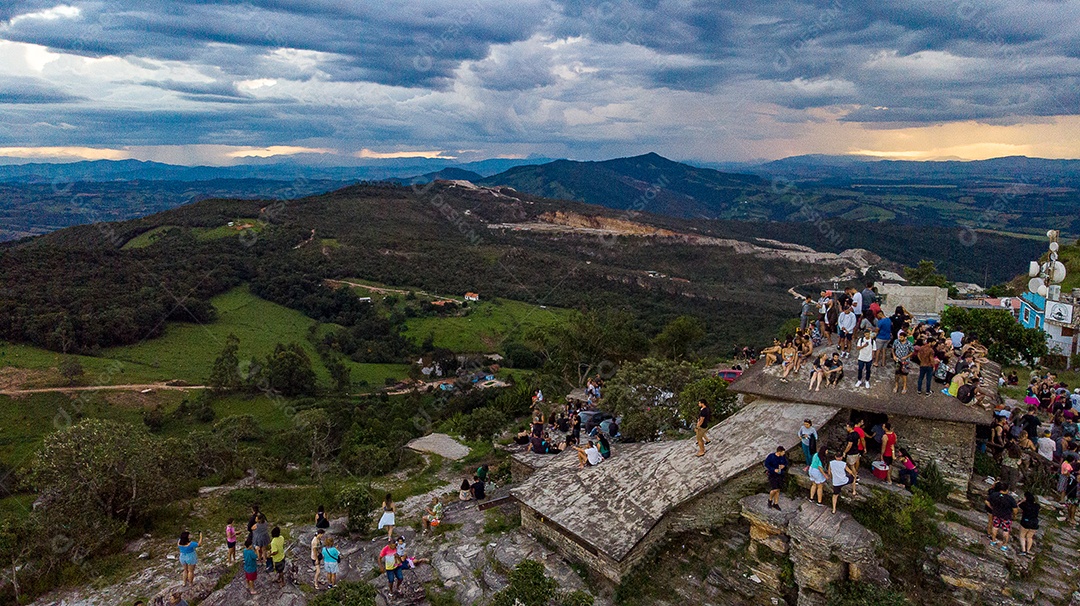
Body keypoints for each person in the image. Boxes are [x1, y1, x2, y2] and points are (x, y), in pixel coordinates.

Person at [986, 484, 1018, 552]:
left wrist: (992, 508)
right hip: (1006, 516)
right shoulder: (1010, 499)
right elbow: (1015, 509)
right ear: (1007, 490)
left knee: (995, 527)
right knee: (1006, 531)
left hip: (996, 514)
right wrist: (1014, 515)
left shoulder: (994, 495)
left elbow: (987, 501)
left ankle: (993, 541)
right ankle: (1004, 545)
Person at [764, 446, 788, 510]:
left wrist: (784, 466)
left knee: (778, 490)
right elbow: (766, 464)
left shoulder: (783, 457)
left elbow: (786, 463)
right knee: (774, 489)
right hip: (772, 475)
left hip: (780, 474)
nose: (784, 453)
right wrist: (773, 469)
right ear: (779, 452)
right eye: (783, 452)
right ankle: (770, 500)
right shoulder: (771, 456)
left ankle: (776, 503)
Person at [1018, 492, 1040, 556]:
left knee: (1022, 536)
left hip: (1025, 522)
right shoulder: (1037, 506)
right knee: (1030, 537)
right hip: (1034, 523)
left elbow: (1017, 505)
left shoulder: (1024, 505)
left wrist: (1022, 501)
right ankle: (1028, 550)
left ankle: (1023, 550)